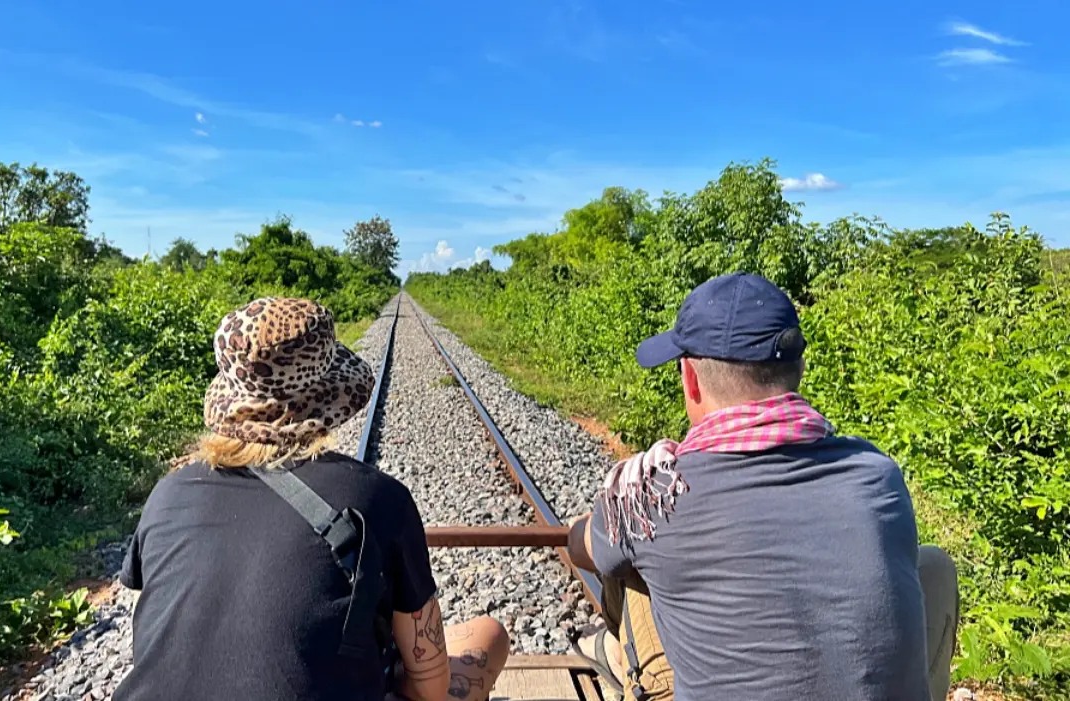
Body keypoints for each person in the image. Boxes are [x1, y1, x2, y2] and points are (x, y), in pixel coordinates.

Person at [567, 272, 960, 701]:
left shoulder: (654, 493)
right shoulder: (878, 474)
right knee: (934, 566)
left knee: (631, 560)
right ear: (799, 369)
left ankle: (615, 656)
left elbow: (581, 548)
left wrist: (610, 512)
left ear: (690, 378)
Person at [114, 297, 509, 701]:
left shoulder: (167, 494)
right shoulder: (381, 497)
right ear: (330, 393)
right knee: (488, 635)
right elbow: (430, 688)